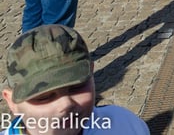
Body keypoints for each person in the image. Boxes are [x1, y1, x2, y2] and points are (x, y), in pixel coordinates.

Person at [1, 24, 149, 135]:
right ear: (12, 102)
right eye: (44, 97)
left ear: (91, 74)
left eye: (77, 87)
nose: (66, 104)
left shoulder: (123, 124)